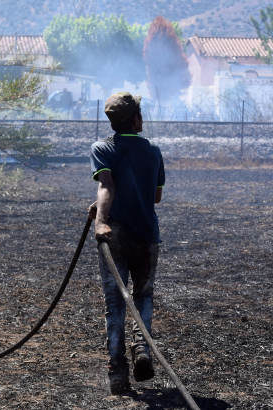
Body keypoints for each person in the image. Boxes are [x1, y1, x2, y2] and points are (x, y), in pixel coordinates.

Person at [89, 92, 165, 394]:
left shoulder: (103, 148)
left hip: (116, 236)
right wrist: (102, 210)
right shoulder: (153, 152)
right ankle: (142, 349)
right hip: (146, 235)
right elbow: (155, 196)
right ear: (135, 118)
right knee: (143, 296)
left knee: (114, 303)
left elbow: (107, 184)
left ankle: (117, 371)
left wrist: (101, 219)